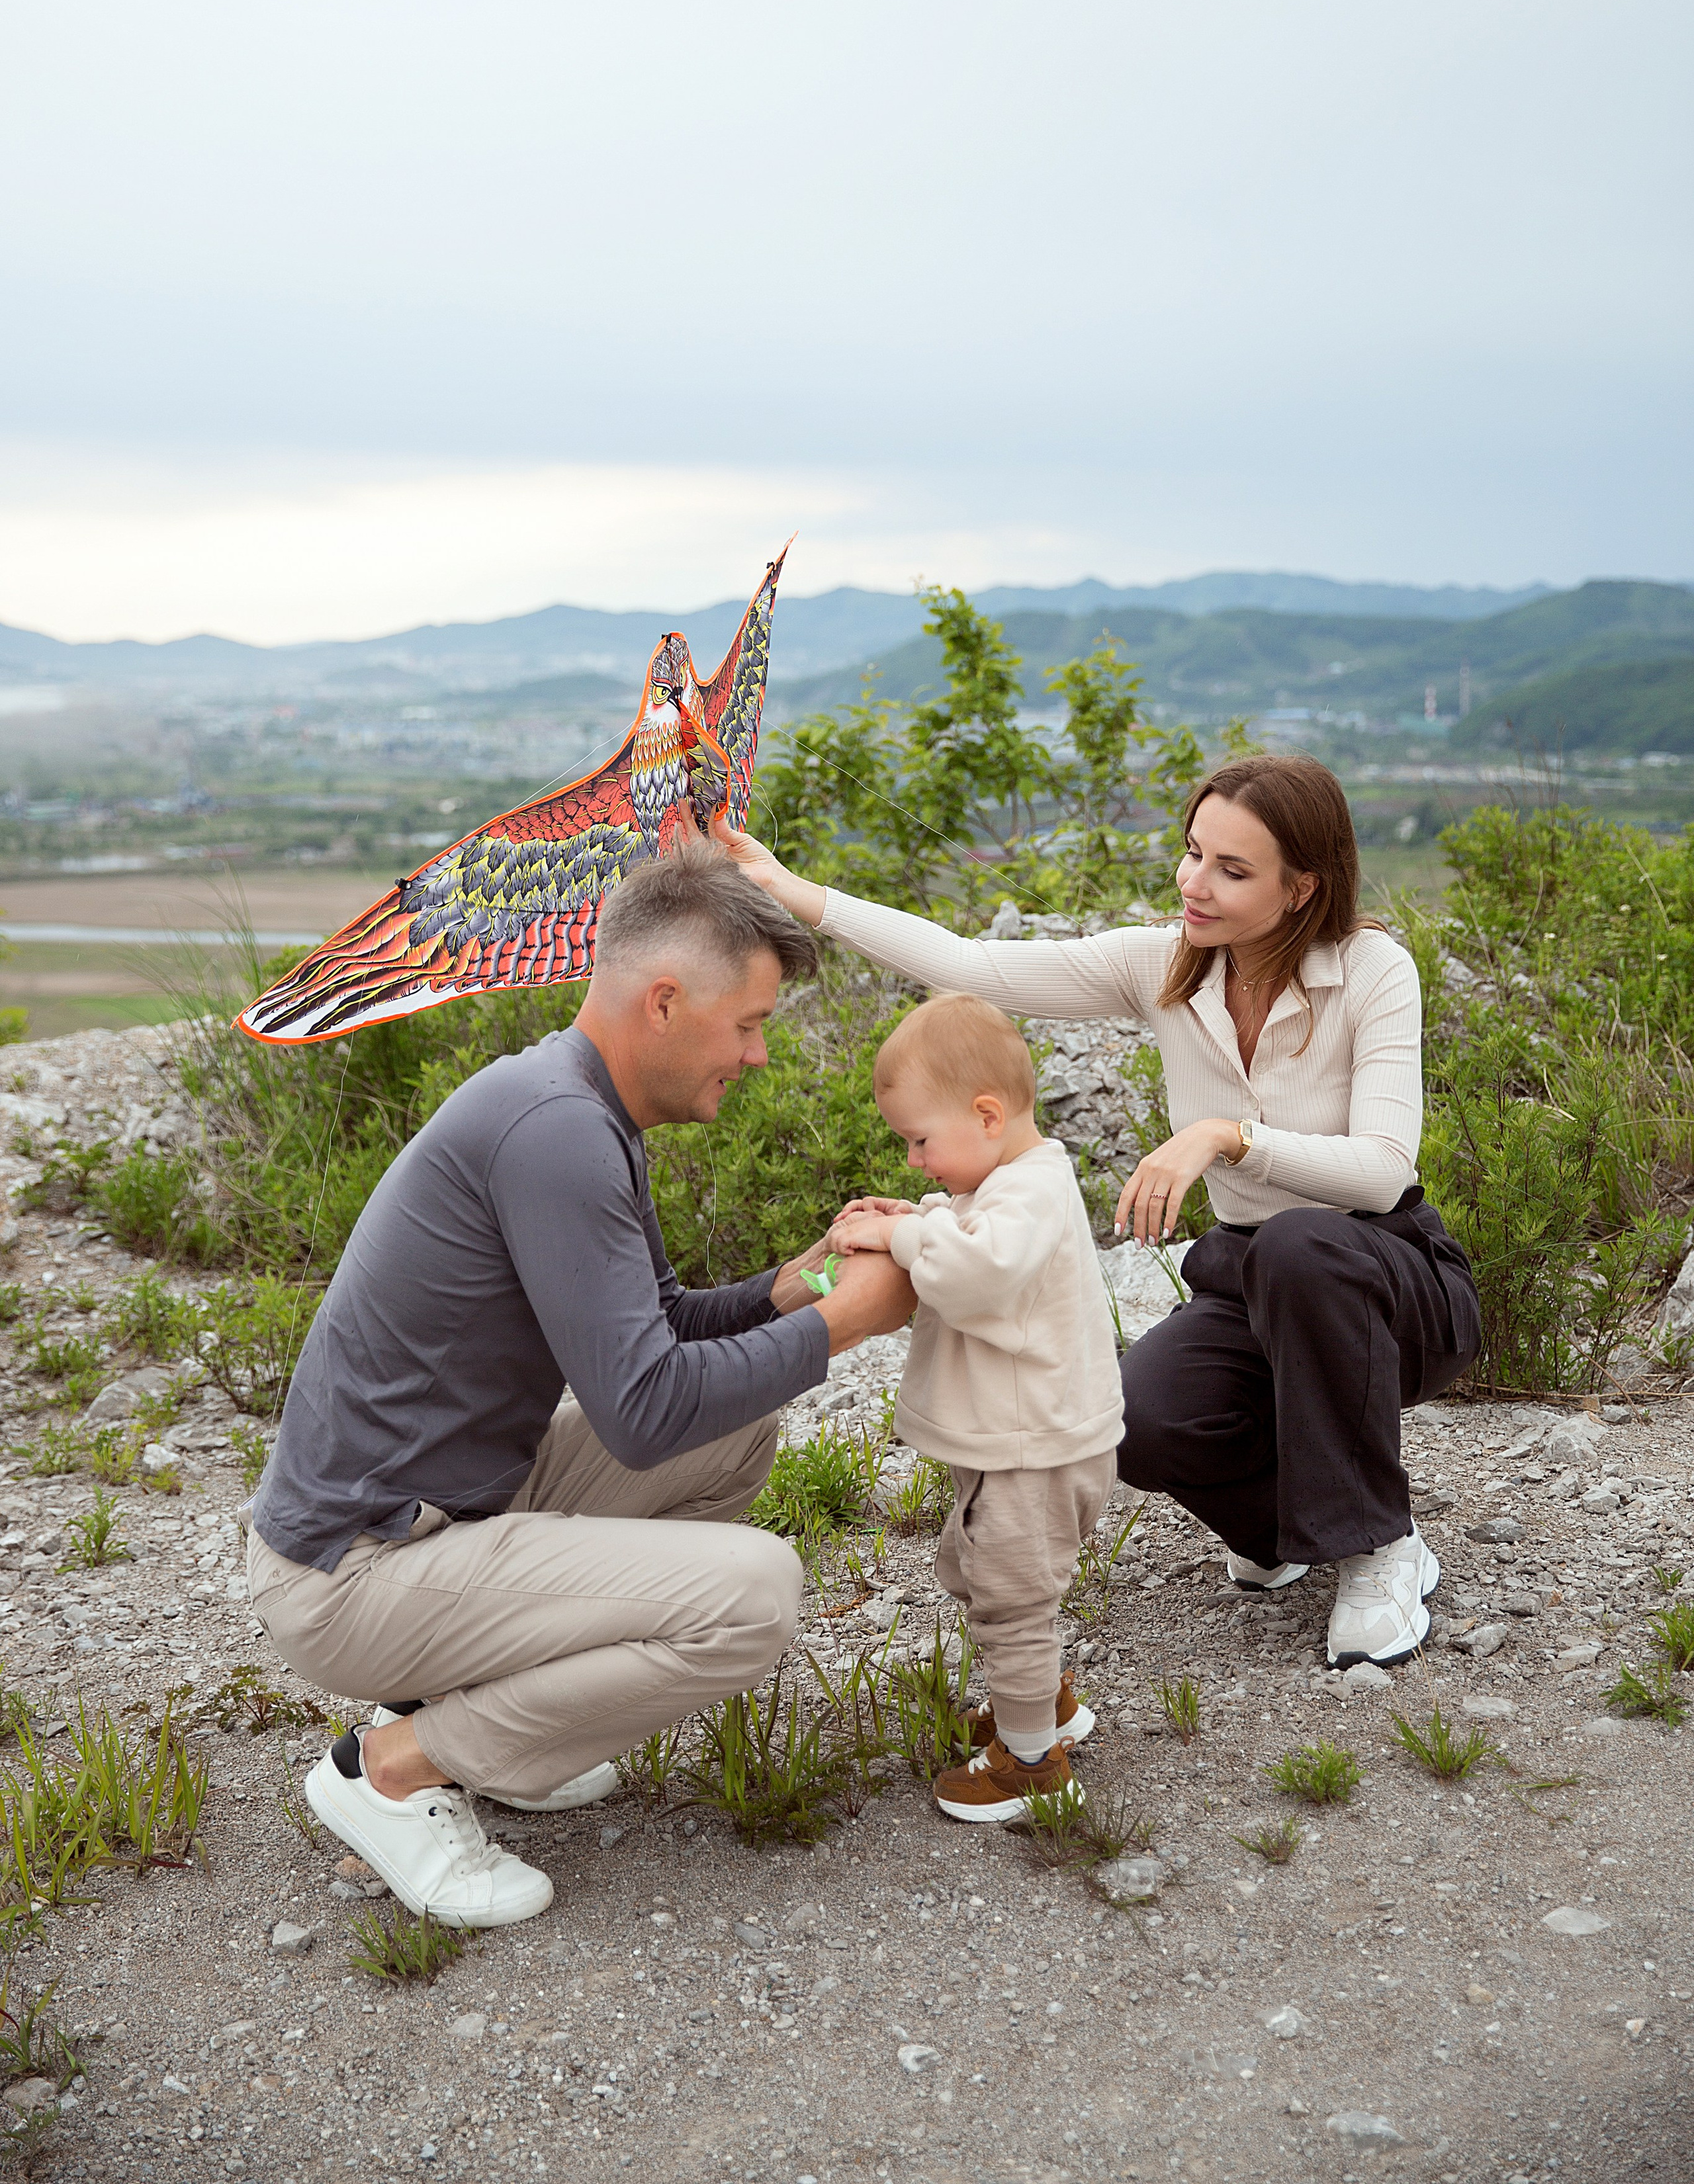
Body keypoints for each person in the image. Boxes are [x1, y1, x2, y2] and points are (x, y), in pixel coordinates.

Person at [245, 847, 912, 1927]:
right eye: (748, 1025)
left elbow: (663, 1327)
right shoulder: (557, 1131)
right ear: (665, 1001)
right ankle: (396, 1770)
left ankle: (508, 1736)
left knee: (735, 1435)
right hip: (352, 1572)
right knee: (754, 1595)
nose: (756, 1055)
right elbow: (643, 1414)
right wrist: (849, 1324)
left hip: (440, 1514)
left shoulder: (575, 1104)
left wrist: (811, 1281)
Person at [724, 752, 1481, 1671]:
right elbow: (971, 966)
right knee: (1138, 1422)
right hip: (1254, 1278)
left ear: (1301, 888)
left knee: (1299, 1245)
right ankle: (1288, 1525)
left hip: (1389, 1281)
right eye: (1192, 852)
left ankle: (1380, 1545)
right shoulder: (1163, 964)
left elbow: (1383, 1172)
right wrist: (788, 888)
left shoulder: (1372, 970)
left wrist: (1226, 1136)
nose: (1193, 884)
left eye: (1231, 870)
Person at [826, 992, 1124, 1822]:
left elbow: (978, 1273)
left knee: (1011, 1599)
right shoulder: (1013, 1183)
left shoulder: (1029, 1195)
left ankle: (1031, 1765)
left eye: (920, 1141)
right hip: (1021, 1445)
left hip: (1032, 1454)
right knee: (974, 1568)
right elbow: (970, 1233)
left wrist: (905, 1239)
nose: (915, 1159)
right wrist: (917, 1217)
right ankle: (1043, 1704)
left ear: (987, 1116)